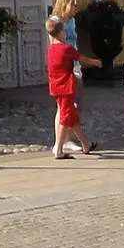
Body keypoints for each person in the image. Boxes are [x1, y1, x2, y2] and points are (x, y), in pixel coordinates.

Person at [46, 14, 94, 157]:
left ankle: (86, 144)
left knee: (71, 116)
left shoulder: (50, 50)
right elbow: (81, 58)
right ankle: (59, 149)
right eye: (64, 31)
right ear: (60, 32)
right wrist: (96, 63)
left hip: (56, 86)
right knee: (66, 116)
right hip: (67, 86)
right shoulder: (66, 48)